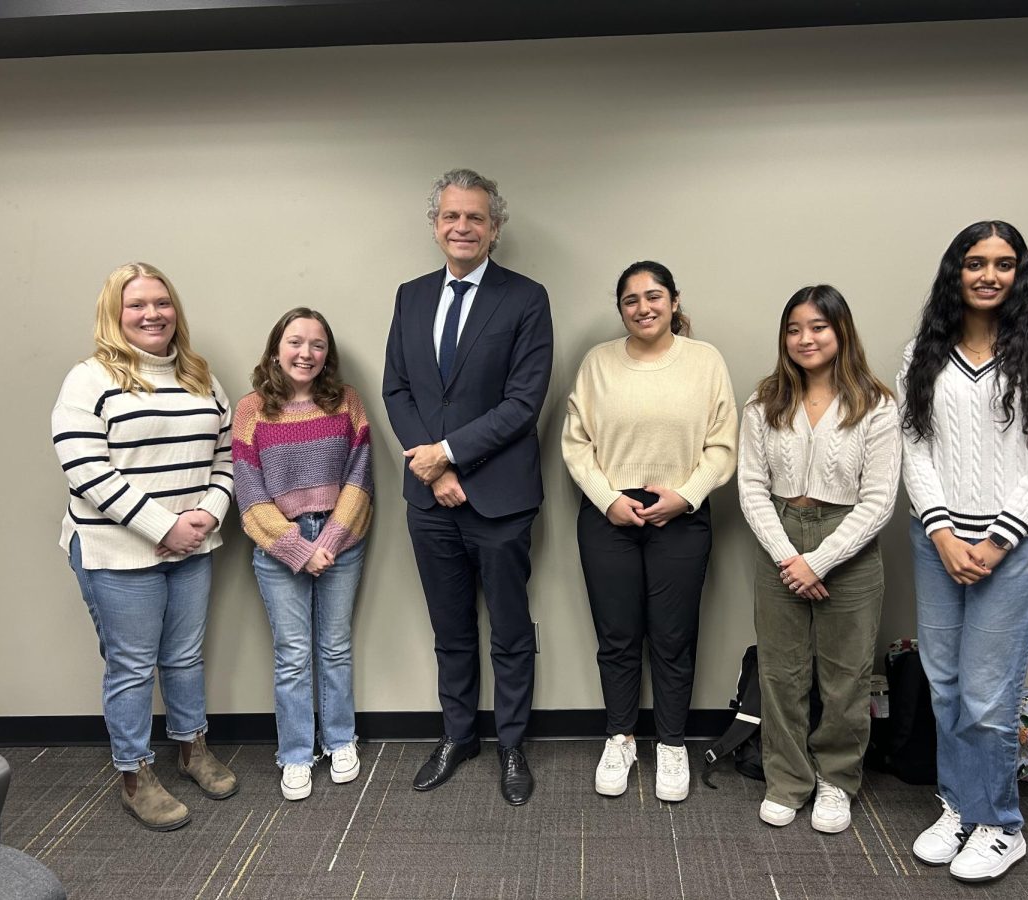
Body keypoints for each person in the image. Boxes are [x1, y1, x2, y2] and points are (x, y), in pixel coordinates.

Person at [898, 221, 1028, 882]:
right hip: (938, 544)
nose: (988, 275)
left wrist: (998, 537)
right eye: (975, 262)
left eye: (1003, 264)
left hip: (1020, 548)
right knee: (946, 686)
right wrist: (944, 533)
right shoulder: (925, 349)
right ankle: (960, 808)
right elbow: (913, 448)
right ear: (956, 271)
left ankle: (1002, 826)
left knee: (986, 694)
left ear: (1019, 273)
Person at [382, 168, 553, 806]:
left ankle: (511, 743)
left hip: (501, 498)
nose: (462, 227)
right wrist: (433, 469)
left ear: (494, 228)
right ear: (435, 226)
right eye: (451, 216)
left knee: (509, 629)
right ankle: (459, 735)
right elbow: (396, 388)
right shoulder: (411, 295)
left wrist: (448, 456)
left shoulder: (526, 298)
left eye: (475, 217)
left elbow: (523, 401)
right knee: (449, 627)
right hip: (428, 503)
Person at [52, 262, 238, 831]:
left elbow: (227, 456)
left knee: (183, 657)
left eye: (161, 302)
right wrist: (164, 526)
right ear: (115, 315)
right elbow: (85, 470)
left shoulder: (200, 375)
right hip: (116, 550)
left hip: (193, 546)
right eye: (136, 305)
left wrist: (206, 514)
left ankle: (192, 749)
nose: (152, 314)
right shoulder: (89, 379)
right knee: (132, 667)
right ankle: (135, 775)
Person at [561, 261, 736, 802]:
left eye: (654, 296)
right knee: (617, 637)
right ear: (622, 310)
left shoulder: (705, 362)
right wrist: (609, 500)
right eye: (631, 300)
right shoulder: (598, 363)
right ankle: (620, 737)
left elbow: (722, 444)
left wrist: (685, 496)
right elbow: (576, 443)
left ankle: (672, 745)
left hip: (681, 513)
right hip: (609, 513)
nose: (644, 307)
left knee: (672, 638)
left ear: (675, 301)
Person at [738, 285, 900, 834]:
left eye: (818, 327)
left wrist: (822, 560)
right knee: (780, 671)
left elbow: (879, 499)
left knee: (845, 676)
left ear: (841, 331)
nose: (805, 338)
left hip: (848, 540)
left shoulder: (876, 405)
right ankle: (788, 779)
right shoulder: (765, 403)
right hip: (778, 536)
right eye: (794, 329)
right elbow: (751, 488)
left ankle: (837, 780)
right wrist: (789, 557)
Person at [232, 308, 373, 801]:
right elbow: (248, 495)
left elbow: (360, 476)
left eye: (317, 345)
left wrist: (329, 542)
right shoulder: (251, 409)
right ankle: (295, 753)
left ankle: (339, 740)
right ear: (276, 349)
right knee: (293, 655)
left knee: (335, 648)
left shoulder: (346, 403)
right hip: (277, 546)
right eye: (295, 342)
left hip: (341, 540)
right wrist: (296, 548)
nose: (305, 353)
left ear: (327, 354)